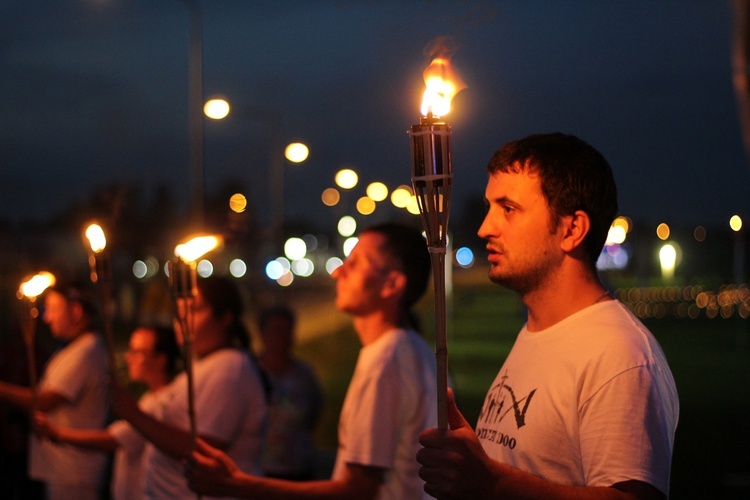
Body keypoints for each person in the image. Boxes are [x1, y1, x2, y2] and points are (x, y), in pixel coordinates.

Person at [417, 132, 680, 499]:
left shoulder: (619, 355)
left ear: (571, 229)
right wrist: (476, 467)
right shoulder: (537, 332)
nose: (485, 228)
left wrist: (492, 482)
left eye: (508, 208)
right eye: (489, 207)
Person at [186, 222, 439, 499]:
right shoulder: (417, 350)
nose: (337, 272)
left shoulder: (384, 361)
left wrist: (237, 484)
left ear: (392, 283)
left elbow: (357, 490)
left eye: (354, 264)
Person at [112, 275, 268, 499]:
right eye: (179, 311)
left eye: (194, 310)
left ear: (224, 317)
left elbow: (203, 448)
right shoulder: (203, 365)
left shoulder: (229, 368)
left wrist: (133, 414)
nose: (182, 319)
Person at [34, 325, 180, 500]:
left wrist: (55, 432)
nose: (128, 357)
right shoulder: (149, 398)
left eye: (137, 352)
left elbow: (113, 440)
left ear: (161, 359)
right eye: (130, 350)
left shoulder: (165, 402)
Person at [0, 282, 110, 500]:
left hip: (74, 471)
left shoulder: (86, 351)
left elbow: (46, 400)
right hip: (63, 468)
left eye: (52, 309)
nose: (47, 318)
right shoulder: (73, 349)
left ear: (76, 311)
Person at [257, 305, 323, 480]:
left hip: (298, 469)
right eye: (277, 331)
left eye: (287, 331)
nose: (282, 337)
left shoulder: (304, 375)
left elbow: (314, 413)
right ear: (263, 334)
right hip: (260, 470)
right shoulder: (250, 373)